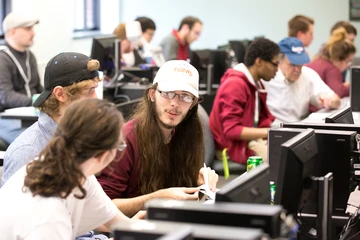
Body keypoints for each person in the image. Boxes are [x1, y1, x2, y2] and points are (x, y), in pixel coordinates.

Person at [0, 98, 145, 239]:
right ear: (103, 155)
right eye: (119, 146)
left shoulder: (79, 175)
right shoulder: (48, 216)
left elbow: (110, 220)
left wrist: (137, 228)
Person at [97, 60, 218, 217]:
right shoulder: (125, 140)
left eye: (185, 96)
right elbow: (102, 210)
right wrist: (155, 198)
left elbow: (183, 196)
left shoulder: (188, 134)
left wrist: (200, 186)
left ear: (193, 103)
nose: (175, 103)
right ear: (152, 94)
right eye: (167, 93)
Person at [1, 52, 101, 187]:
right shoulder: (28, 152)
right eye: (89, 91)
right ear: (60, 94)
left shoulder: (77, 136)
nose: (96, 99)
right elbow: (12, 207)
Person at [209, 38, 279, 165]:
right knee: (279, 160)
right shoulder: (235, 84)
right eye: (275, 64)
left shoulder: (256, 84)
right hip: (232, 148)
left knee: (284, 149)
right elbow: (231, 131)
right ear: (259, 62)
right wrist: (270, 132)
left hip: (248, 142)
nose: (277, 70)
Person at [263, 37, 340, 127]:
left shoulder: (307, 74)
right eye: (293, 64)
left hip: (300, 129)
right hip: (273, 130)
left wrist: (331, 101)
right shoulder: (267, 78)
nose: (297, 70)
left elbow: (335, 99)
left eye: (300, 64)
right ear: (279, 61)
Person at [0, 12, 43, 144]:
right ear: (12, 32)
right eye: (28, 29)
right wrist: (38, 102)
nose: (33, 33)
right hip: (7, 119)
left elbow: (38, 88)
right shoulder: (2, 58)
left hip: (31, 115)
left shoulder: (30, 56)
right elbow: (5, 96)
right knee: (39, 142)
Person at [306, 27, 356, 98]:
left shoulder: (319, 60)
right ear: (338, 59)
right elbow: (339, 92)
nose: (348, 65)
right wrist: (354, 88)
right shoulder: (332, 69)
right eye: (348, 61)